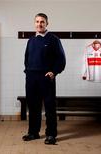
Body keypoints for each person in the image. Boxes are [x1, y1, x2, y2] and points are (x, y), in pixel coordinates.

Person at [22, 13, 66, 145]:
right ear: (34, 23)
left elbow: (61, 59)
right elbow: (26, 58)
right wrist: (28, 72)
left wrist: (54, 71)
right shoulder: (31, 40)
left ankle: (51, 134)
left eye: (42, 21)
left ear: (47, 23)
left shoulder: (53, 39)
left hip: (46, 78)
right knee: (33, 107)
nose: (39, 24)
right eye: (37, 21)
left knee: (49, 107)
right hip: (31, 78)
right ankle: (33, 132)